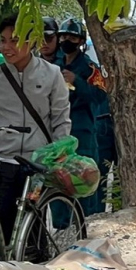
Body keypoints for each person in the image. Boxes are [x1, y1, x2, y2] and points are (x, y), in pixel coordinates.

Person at [0, 14, 71, 246]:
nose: (7, 47)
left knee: (34, 231)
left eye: (14, 40)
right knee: (3, 229)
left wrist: (58, 156)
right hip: (0, 162)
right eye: (3, 40)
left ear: (32, 42)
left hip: (37, 163)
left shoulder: (52, 74)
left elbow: (60, 119)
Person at [56, 17, 108, 216]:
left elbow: (99, 95)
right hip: (60, 129)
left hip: (82, 130)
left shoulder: (89, 67)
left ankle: (87, 221)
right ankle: (62, 225)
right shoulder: (56, 63)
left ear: (80, 41)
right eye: (63, 37)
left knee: (84, 179)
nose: (66, 41)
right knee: (60, 179)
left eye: (71, 37)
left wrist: (77, 81)